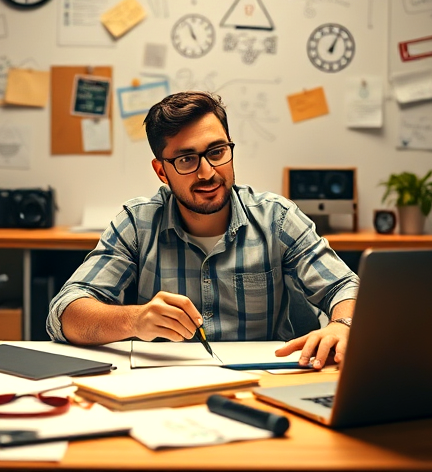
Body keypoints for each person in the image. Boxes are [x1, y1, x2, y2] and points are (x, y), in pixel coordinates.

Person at [47, 92, 359, 370]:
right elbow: (65, 313)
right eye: (186, 159)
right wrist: (136, 320)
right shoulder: (138, 223)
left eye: (217, 152)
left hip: (263, 383)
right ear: (161, 171)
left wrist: (343, 323)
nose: (207, 172)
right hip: (165, 387)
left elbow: (346, 287)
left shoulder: (276, 218)